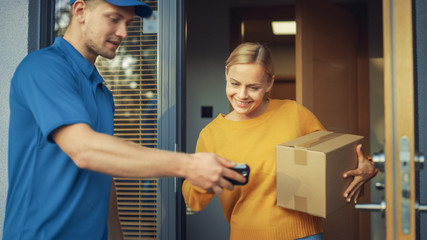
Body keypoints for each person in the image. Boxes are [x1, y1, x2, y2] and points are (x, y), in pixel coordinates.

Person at [2, 0, 246, 239]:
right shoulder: (43, 67)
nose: (123, 33)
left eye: (127, 22)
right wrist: (189, 165)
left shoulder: (102, 92)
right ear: (80, 11)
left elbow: (103, 172)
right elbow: (84, 150)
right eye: (113, 18)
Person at [181, 42, 378, 240]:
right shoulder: (212, 135)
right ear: (226, 75)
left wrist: (368, 164)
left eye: (253, 87)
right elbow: (193, 201)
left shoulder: (294, 113)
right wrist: (206, 180)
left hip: (305, 235)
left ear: (269, 84)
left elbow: (335, 158)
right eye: (235, 84)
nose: (241, 95)